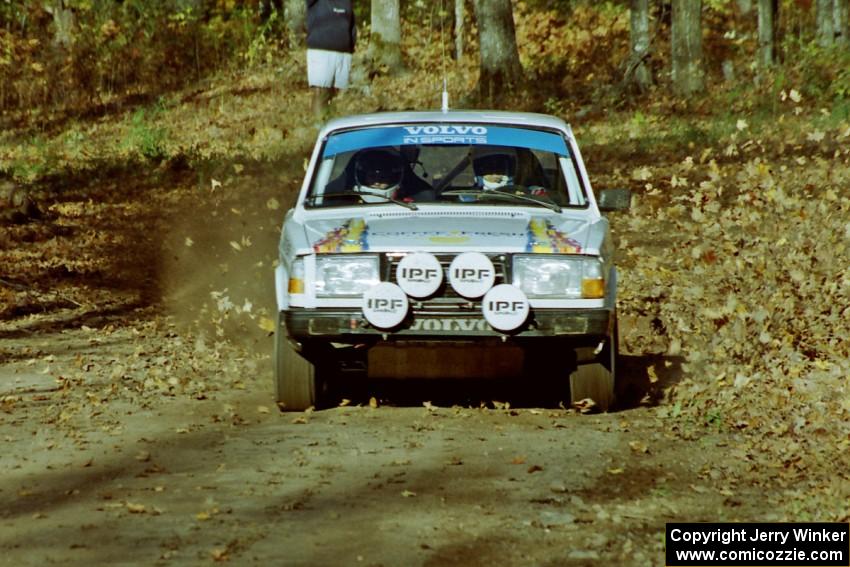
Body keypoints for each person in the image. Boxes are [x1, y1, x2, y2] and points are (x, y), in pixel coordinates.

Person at [306, 0, 357, 118]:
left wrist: (351, 45)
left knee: (338, 95)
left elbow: (352, 24)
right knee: (320, 92)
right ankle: (319, 129)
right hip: (321, 50)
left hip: (344, 52)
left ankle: (334, 128)